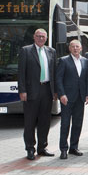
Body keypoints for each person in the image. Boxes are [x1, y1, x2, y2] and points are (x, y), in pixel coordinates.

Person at [18, 28, 56, 160]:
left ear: (46, 38)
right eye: (38, 36)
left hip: (46, 90)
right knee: (30, 121)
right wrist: (22, 90)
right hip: (31, 91)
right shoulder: (26, 51)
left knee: (45, 121)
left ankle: (42, 147)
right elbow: (21, 73)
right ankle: (30, 148)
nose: (41, 38)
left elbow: (53, 73)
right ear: (34, 37)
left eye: (43, 37)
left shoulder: (51, 51)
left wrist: (55, 91)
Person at [55, 39, 88, 159]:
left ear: (81, 48)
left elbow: (87, 79)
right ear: (69, 48)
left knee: (77, 123)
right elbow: (58, 79)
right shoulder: (63, 61)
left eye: (77, 46)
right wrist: (62, 94)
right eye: (73, 46)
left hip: (80, 98)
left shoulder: (85, 61)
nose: (75, 48)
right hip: (67, 98)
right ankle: (63, 149)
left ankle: (73, 147)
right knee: (65, 124)